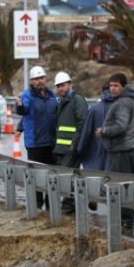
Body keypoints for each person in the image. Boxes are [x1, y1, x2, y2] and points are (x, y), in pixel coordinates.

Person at [95, 73, 134, 230]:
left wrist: (104, 131)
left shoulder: (123, 103)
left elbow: (121, 126)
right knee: (119, 186)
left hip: (122, 152)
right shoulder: (123, 101)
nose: (112, 89)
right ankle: (123, 218)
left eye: (116, 86)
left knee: (122, 187)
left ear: (123, 87)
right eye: (111, 85)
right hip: (120, 150)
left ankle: (126, 220)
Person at [16, 66, 59, 210]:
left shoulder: (51, 94)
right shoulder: (27, 95)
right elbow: (24, 109)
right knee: (36, 175)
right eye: (36, 79)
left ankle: (51, 205)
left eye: (41, 78)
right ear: (32, 81)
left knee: (51, 175)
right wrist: (20, 107)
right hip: (35, 143)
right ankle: (37, 205)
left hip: (51, 142)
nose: (40, 81)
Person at [53, 72, 89, 213]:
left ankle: (68, 205)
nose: (60, 88)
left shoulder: (77, 101)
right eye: (58, 86)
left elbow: (82, 124)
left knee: (67, 177)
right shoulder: (62, 101)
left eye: (63, 85)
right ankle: (72, 203)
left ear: (70, 84)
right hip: (62, 148)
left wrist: (75, 144)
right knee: (67, 177)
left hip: (71, 148)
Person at [78, 82, 114, 211]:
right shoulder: (120, 107)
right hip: (114, 149)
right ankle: (113, 203)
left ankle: (93, 197)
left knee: (95, 173)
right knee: (112, 176)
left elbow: (87, 131)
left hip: (95, 148)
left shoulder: (94, 108)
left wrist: (80, 149)